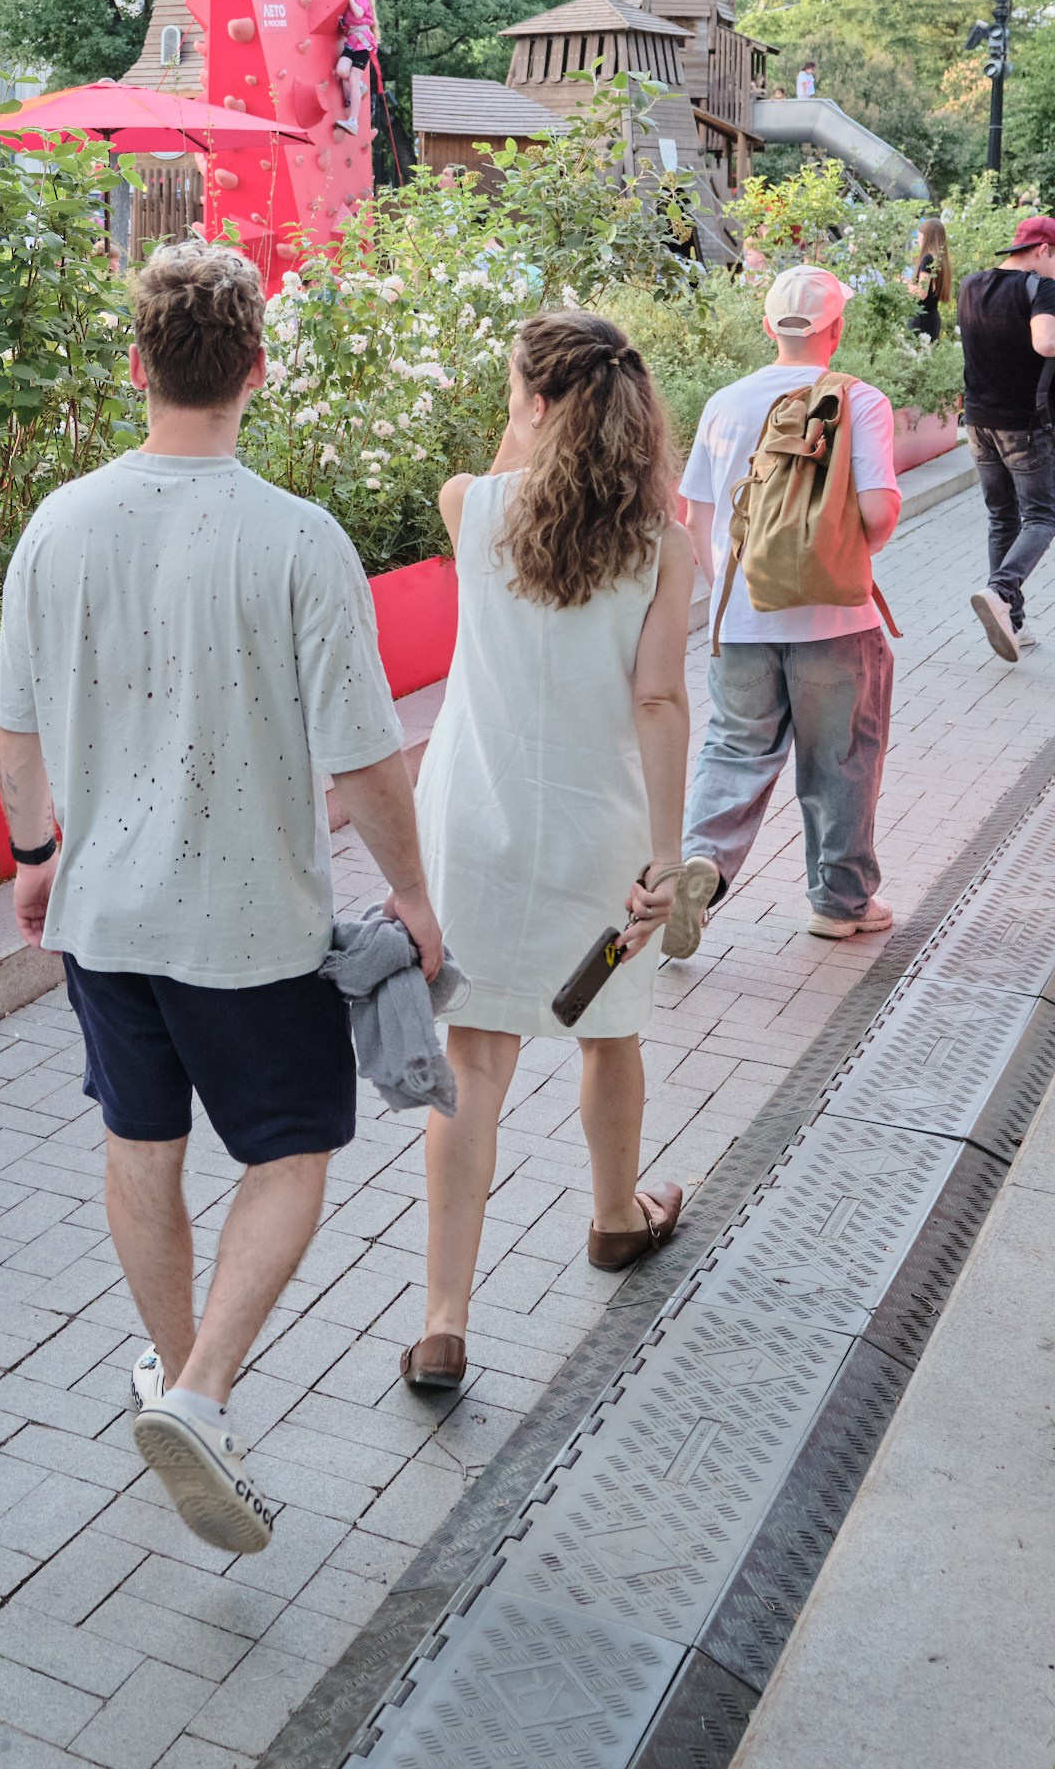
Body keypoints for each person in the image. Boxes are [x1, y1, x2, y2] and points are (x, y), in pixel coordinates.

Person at [0, 241, 440, 1556]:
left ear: (137, 368)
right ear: (256, 367)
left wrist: (32, 855)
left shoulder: (59, 525)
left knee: (141, 1144)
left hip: (102, 915)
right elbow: (367, 755)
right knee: (291, 1150)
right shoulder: (299, 541)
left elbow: (14, 734)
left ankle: (187, 1387)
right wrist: (413, 897)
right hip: (246, 920)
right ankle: (198, 1393)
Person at [406, 312, 706, 1394]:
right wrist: (666, 863)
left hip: (473, 825)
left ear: (533, 406)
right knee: (608, 1036)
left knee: (474, 1062)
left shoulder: (467, 508)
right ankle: (614, 1219)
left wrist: (524, 424)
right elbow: (660, 699)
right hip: (600, 829)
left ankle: (443, 1321)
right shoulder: (661, 548)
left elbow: (501, 473)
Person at [680, 266, 901, 939]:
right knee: (841, 760)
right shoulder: (859, 401)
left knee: (734, 750)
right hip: (835, 622)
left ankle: (699, 865)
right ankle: (841, 904)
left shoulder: (726, 401)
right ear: (838, 328)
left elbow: (694, 515)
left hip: (741, 620)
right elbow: (877, 513)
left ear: (769, 324)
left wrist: (735, 585)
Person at [957, 214, 1055, 661]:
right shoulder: (1041, 288)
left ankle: (1011, 621)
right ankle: (1001, 590)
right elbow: (1045, 344)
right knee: (1041, 518)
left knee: (1002, 518)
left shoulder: (972, 285)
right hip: (1023, 428)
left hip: (977, 422)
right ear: (1043, 251)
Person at [332, 0, 379, 137]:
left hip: (362, 41)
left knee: (353, 78)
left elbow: (359, 13)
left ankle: (353, 121)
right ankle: (359, 87)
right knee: (342, 71)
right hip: (352, 40)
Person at [903, 216, 954, 345]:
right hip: (932, 318)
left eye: (920, 236)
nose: (918, 239)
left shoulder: (928, 259)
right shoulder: (941, 261)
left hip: (921, 319)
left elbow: (922, 293)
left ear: (927, 237)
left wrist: (905, 284)